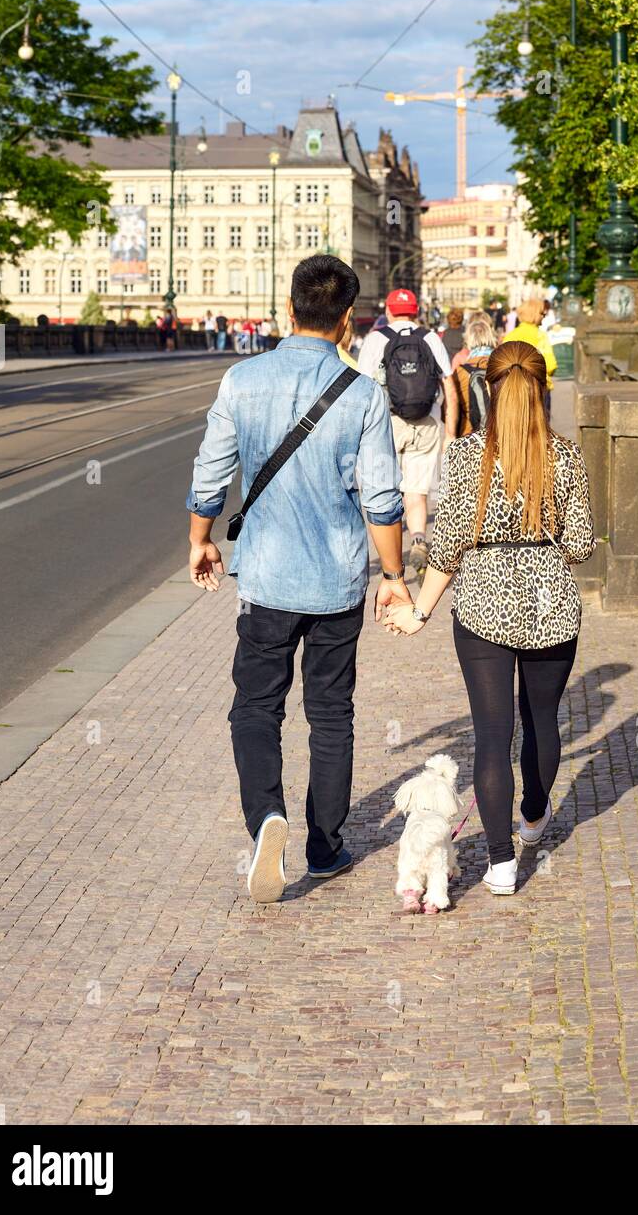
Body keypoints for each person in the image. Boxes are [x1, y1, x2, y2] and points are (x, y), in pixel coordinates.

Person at [186, 254, 409, 903]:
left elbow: (210, 473)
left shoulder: (241, 379)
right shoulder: (363, 394)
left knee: (256, 706)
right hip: (336, 580)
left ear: (289, 309)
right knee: (331, 713)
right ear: (347, 320)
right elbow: (383, 499)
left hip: (266, 578)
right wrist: (393, 576)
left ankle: (266, 818)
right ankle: (324, 846)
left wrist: (200, 539)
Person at [385, 340, 595, 897]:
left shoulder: (465, 455)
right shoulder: (566, 456)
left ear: (490, 389)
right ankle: (533, 814)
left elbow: (448, 546)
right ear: (541, 390)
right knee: (542, 720)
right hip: (552, 605)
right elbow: (580, 545)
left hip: (483, 604)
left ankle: (501, 863)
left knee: (492, 735)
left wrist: (419, 611)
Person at [357, 287, 457, 579]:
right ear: (416, 312)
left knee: (384, 493)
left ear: (388, 311)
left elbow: (362, 388)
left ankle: (390, 561)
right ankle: (418, 539)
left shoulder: (376, 339)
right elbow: (449, 386)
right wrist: (450, 432)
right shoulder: (430, 338)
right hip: (426, 422)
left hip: (386, 424)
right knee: (416, 493)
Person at [502, 298, 557, 420]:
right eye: (542, 313)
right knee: (540, 426)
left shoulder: (510, 336)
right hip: (539, 387)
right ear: (535, 314)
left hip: (515, 388)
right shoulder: (540, 336)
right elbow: (550, 366)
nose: (543, 316)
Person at [451, 312, 495, 435]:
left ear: (468, 340)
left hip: (470, 434)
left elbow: (451, 407)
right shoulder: (503, 366)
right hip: (500, 433)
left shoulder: (460, 371)